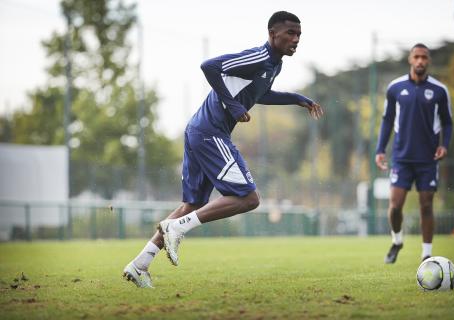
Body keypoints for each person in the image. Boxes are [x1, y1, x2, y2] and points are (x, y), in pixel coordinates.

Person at [123, 11, 324, 288]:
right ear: (272, 34)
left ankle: (139, 265)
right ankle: (176, 228)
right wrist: (232, 104)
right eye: (290, 33)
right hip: (209, 132)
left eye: (299, 34)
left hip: (199, 131)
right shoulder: (259, 57)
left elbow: (260, 94)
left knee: (192, 205)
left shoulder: (274, 66)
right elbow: (209, 66)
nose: (296, 39)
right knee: (248, 198)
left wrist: (298, 99)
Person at [375, 43, 453, 264]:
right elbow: (387, 120)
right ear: (410, 59)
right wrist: (380, 149)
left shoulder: (439, 90)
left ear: (428, 61)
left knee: (426, 205)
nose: (420, 61)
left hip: (428, 159)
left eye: (424, 58)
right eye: (416, 57)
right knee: (395, 205)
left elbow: (447, 123)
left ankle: (426, 254)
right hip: (401, 157)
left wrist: (444, 145)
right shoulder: (395, 88)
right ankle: (397, 240)